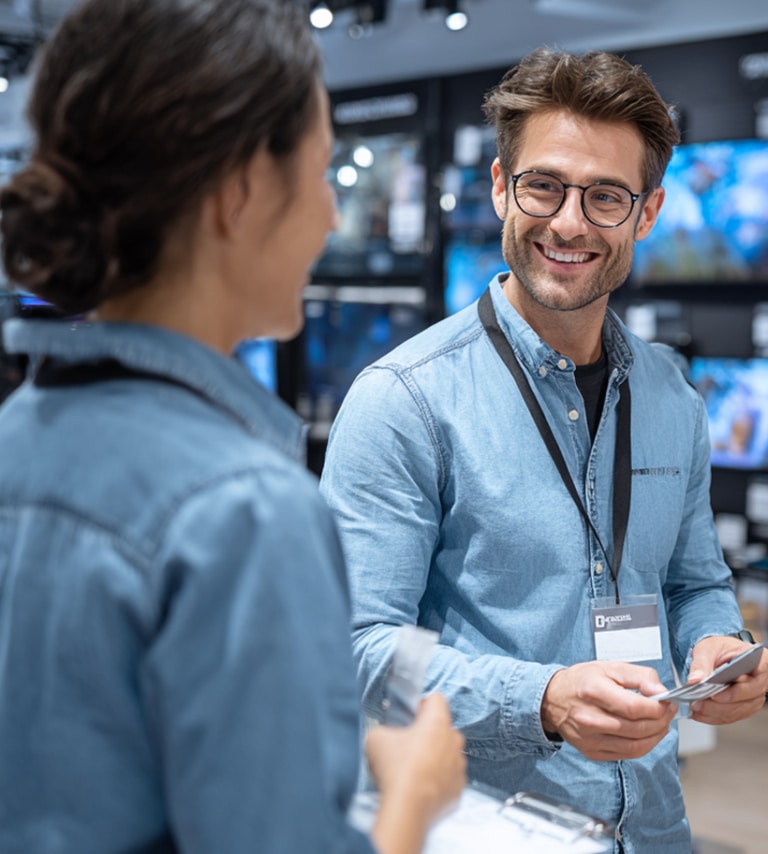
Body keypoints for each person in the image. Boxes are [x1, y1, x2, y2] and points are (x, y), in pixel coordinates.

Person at [0, 2, 466, 853]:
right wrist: (414, 794)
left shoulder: (16, 437)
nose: (331, 215)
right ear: (243, 189)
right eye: (324, 172)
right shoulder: (244, 512)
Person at [320, 47, 768, 853]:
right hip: (479, 829)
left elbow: (693, 580)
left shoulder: (672, 397)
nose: (569, 222)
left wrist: (718, 644)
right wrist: (542, 696)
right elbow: (353, 649)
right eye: (544, 186)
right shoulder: (404, 400)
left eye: (605, 197)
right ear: (501, 187)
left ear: (649, 212)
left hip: (657, 826)